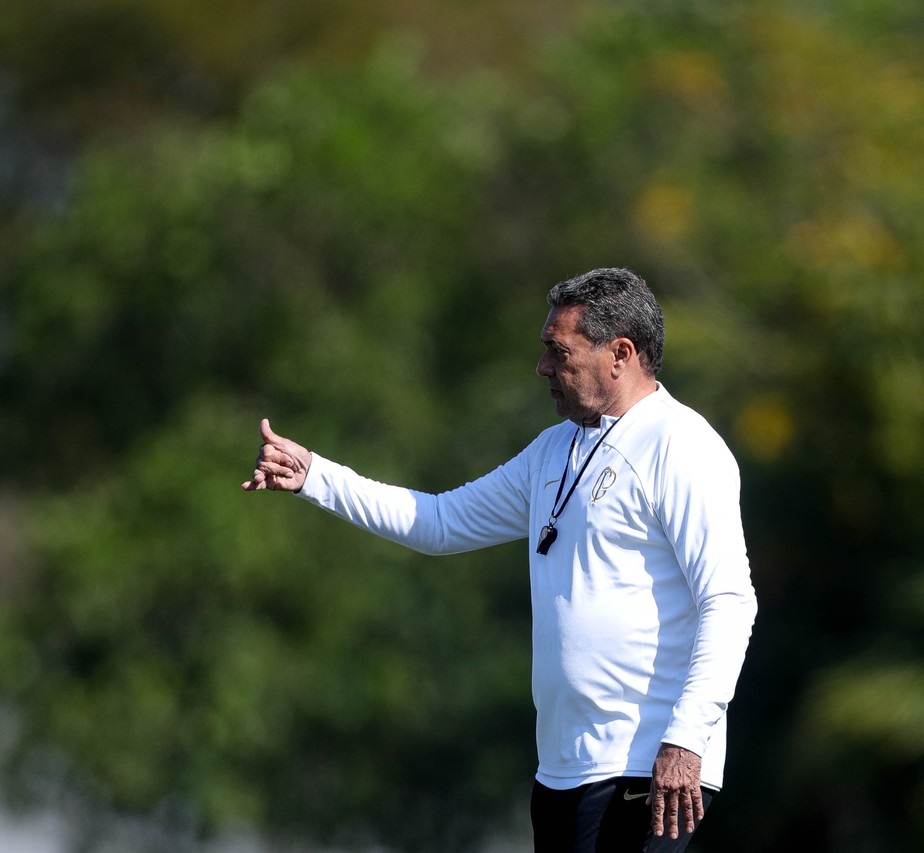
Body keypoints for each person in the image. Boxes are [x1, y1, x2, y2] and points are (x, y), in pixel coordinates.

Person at [243, 267, 757, 851]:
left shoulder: (681, 445)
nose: (543, 368)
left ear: (620, 353)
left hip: (647, 765)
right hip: (562, 770)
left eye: (557, 352)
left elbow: (729, 600)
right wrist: (317, 477)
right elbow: (439, 523)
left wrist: (686, 739)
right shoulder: (553, 450)